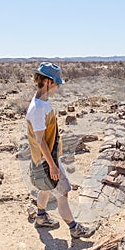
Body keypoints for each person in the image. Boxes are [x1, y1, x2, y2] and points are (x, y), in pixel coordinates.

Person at [26, 62, 95, 238]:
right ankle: (74, 229)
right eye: (57, 83)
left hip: (42, 161)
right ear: (49, 82)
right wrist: (53, 166)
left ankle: (41, 217)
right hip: (46, 162)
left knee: (45, 188)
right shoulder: (38, 107)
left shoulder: (40, 103)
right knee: (62, 194)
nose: (58, 87)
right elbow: (41, 141)